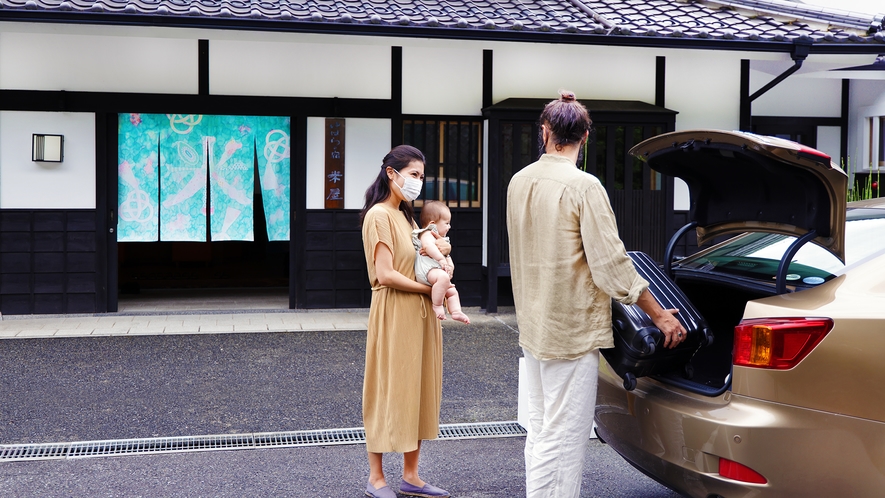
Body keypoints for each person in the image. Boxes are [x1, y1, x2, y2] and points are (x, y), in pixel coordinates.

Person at [506, 90, 687, 498]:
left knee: (540, 430)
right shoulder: (584, 186)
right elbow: (611, 264)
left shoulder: (519, 181)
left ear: (545, 131)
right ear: (585, 137)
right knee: (565, 436)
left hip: (534, 324)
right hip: (570, 329)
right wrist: (658, 314)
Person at [359, 145, 451, 498]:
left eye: (421, 176)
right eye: (413, 175)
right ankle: (376, 478)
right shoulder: (378, 216)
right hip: (395, 311)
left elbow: (419, 261)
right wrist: (426, 291)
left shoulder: (407, 217)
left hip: (420, 313)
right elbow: (384, 275)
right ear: (391, 173)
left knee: (417, 387)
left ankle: (411, 476)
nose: (418, 182)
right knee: (387, 389)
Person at [413, 200, 470, 324]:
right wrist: (441, 259)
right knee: (443, 279)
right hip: (427, 271)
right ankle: (437, 305)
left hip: (436, 273)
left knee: (452, 292)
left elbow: (446, 255)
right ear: (433, 224)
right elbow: (428, 247)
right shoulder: (427, 233)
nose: (449, 227)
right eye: (447, 223)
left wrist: (449, 264)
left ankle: (456, 311)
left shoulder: (441, 239)